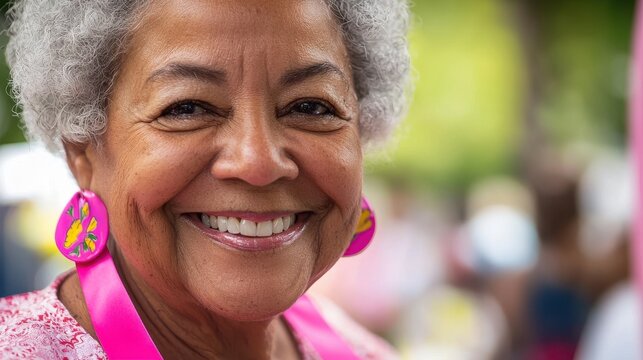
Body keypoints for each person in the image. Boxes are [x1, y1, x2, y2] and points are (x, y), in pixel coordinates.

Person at [0, 0, 410, 359]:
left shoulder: (366, 352)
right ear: (83, 150)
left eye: (310, 106)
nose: (258, 163)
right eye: (187, 108)